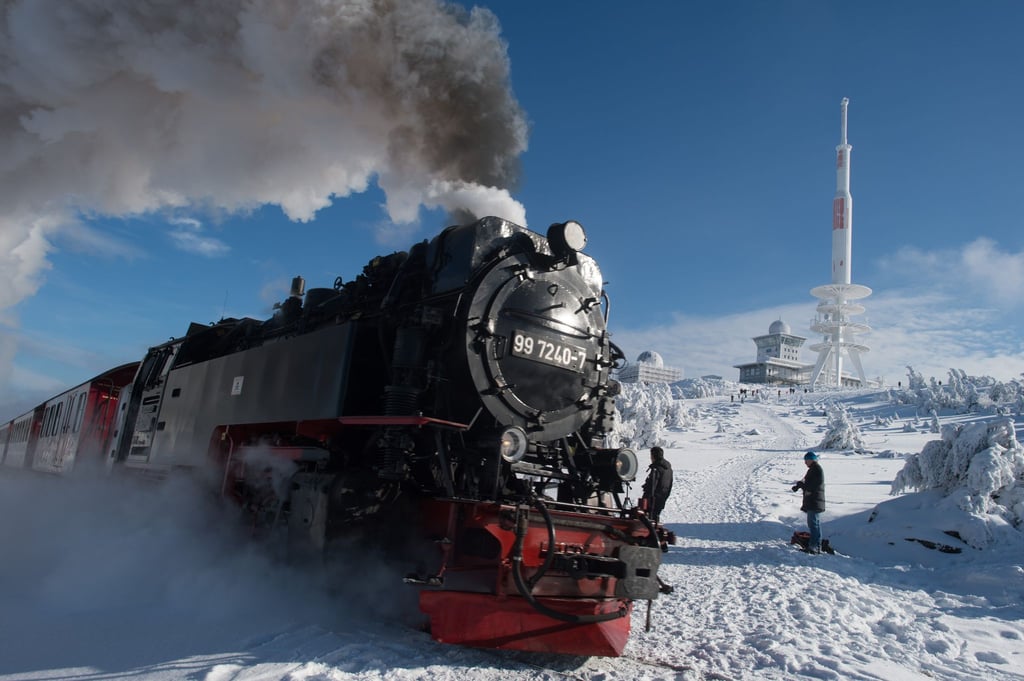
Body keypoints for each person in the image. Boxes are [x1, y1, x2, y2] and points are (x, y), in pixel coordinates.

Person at [792, 451, 825, 553]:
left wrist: (803, 486)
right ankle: (816, 546)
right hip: (814, 501)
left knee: (813, 525)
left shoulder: (816, 469)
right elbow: (807, 482)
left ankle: (813, 547)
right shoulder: (813, 469)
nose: (805, 463)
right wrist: (799, 485)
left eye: (806, 460)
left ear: (811, 460)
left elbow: (814, 485)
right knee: (815, 525)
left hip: (814, 501)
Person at [641, 446, 673, 523]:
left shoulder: (657, 469)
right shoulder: (668, 469)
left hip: (653, 501)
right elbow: (670, 485)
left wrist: (646, 499)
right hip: (662, 499)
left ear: (653, 456)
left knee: (648, 522)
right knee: (655, 520)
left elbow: (652, 486)